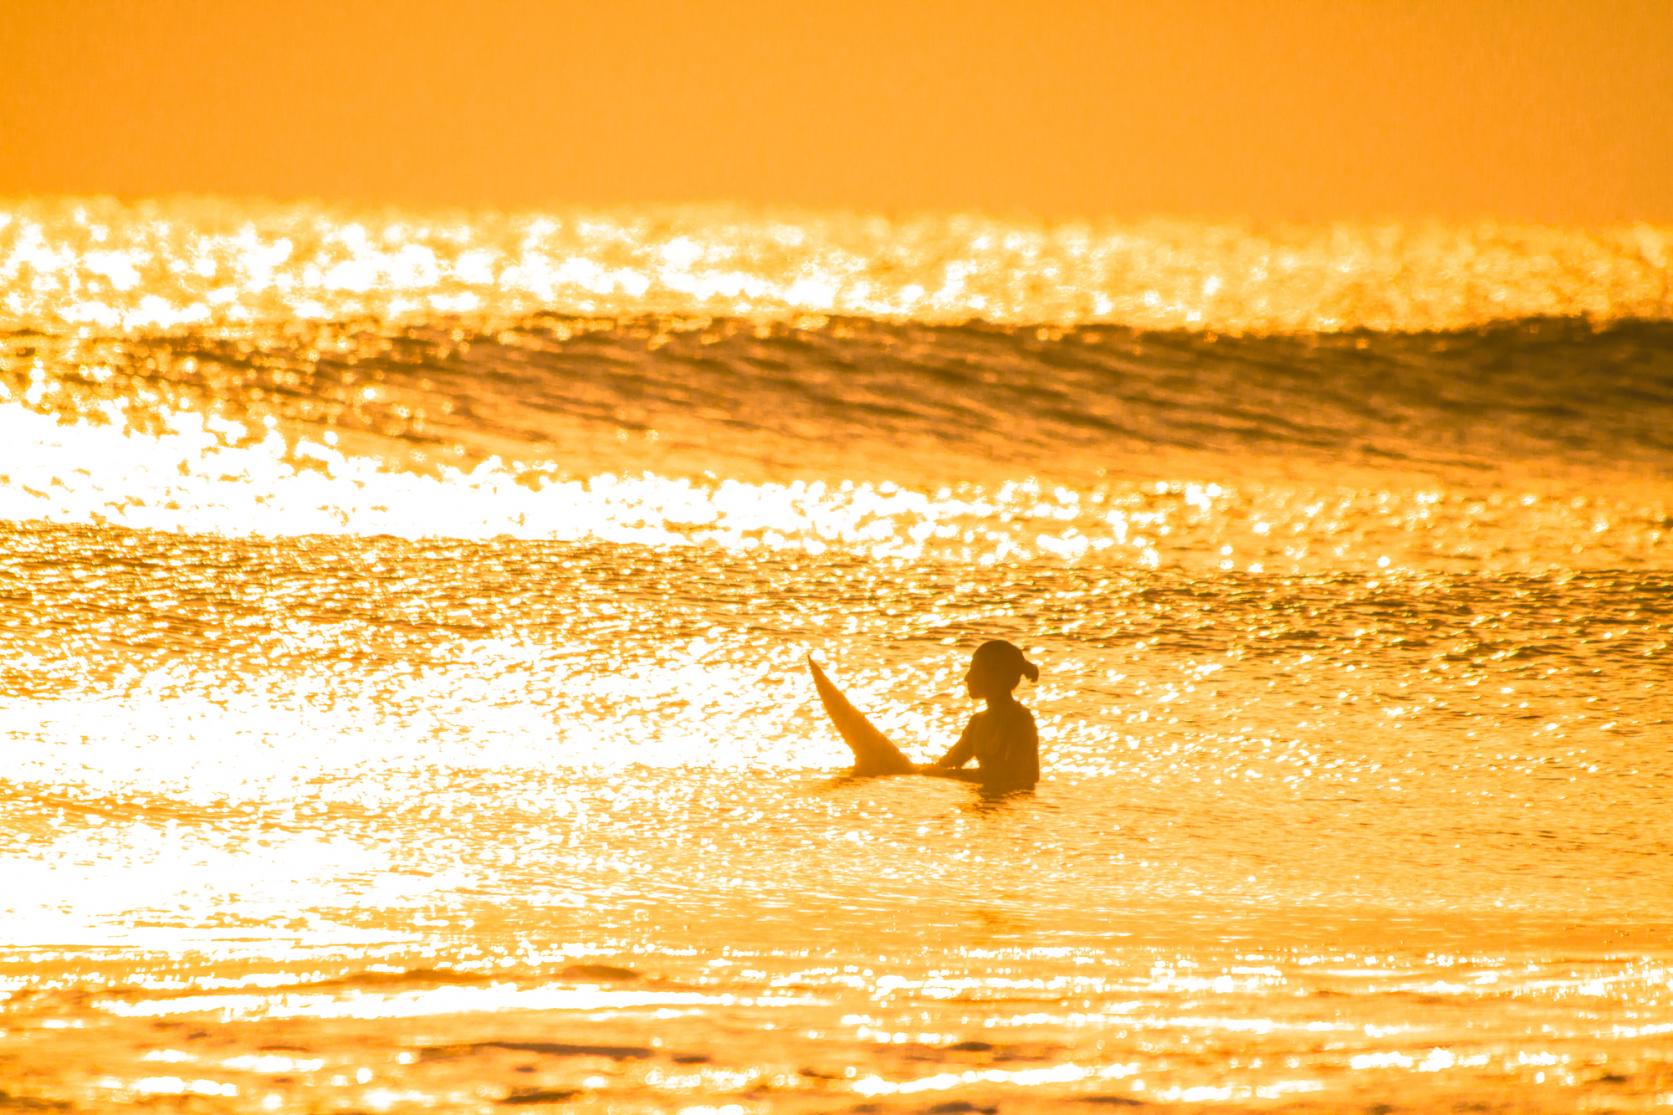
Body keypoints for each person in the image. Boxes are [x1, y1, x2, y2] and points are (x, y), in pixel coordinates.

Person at [924, 640, 1040, 791]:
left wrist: (946, 774)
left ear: (996, 676)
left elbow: (1013, 775)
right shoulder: (977, 722)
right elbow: (947, 763)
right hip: (985, 805)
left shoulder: (1020, 719)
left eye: (975, 669)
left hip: (1014, 808)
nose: (967, 678)